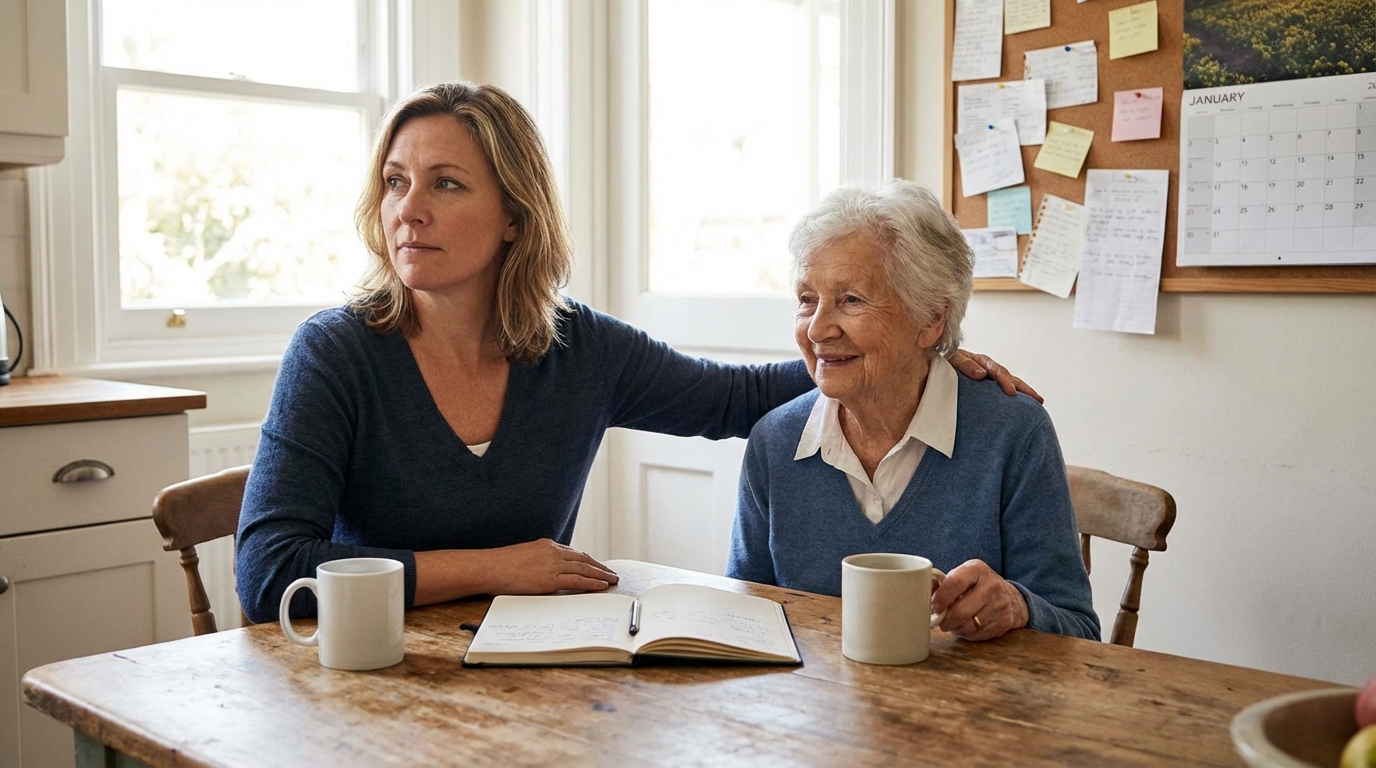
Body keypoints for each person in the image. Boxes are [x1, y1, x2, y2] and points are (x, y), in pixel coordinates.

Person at [235, 81, 1036, 623]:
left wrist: (912, 356)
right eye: (395, 181)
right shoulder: (334, 353)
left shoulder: (578, 348)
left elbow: (735, 399)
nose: (409, 210)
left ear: (515, 213)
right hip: (363, 681)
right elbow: (271, 573)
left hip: (525, 675)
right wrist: (494, 567)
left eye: (445, 183)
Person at [726, 180, 1099, 641]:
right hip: (815, 708)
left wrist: (1019, 606)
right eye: (807, 299)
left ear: (931, 319)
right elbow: (742, 618)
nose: (818, 328)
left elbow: (1080, 633)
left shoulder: (1015, 433)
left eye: (851, 300)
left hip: (970, 710)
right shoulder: (775, 442)